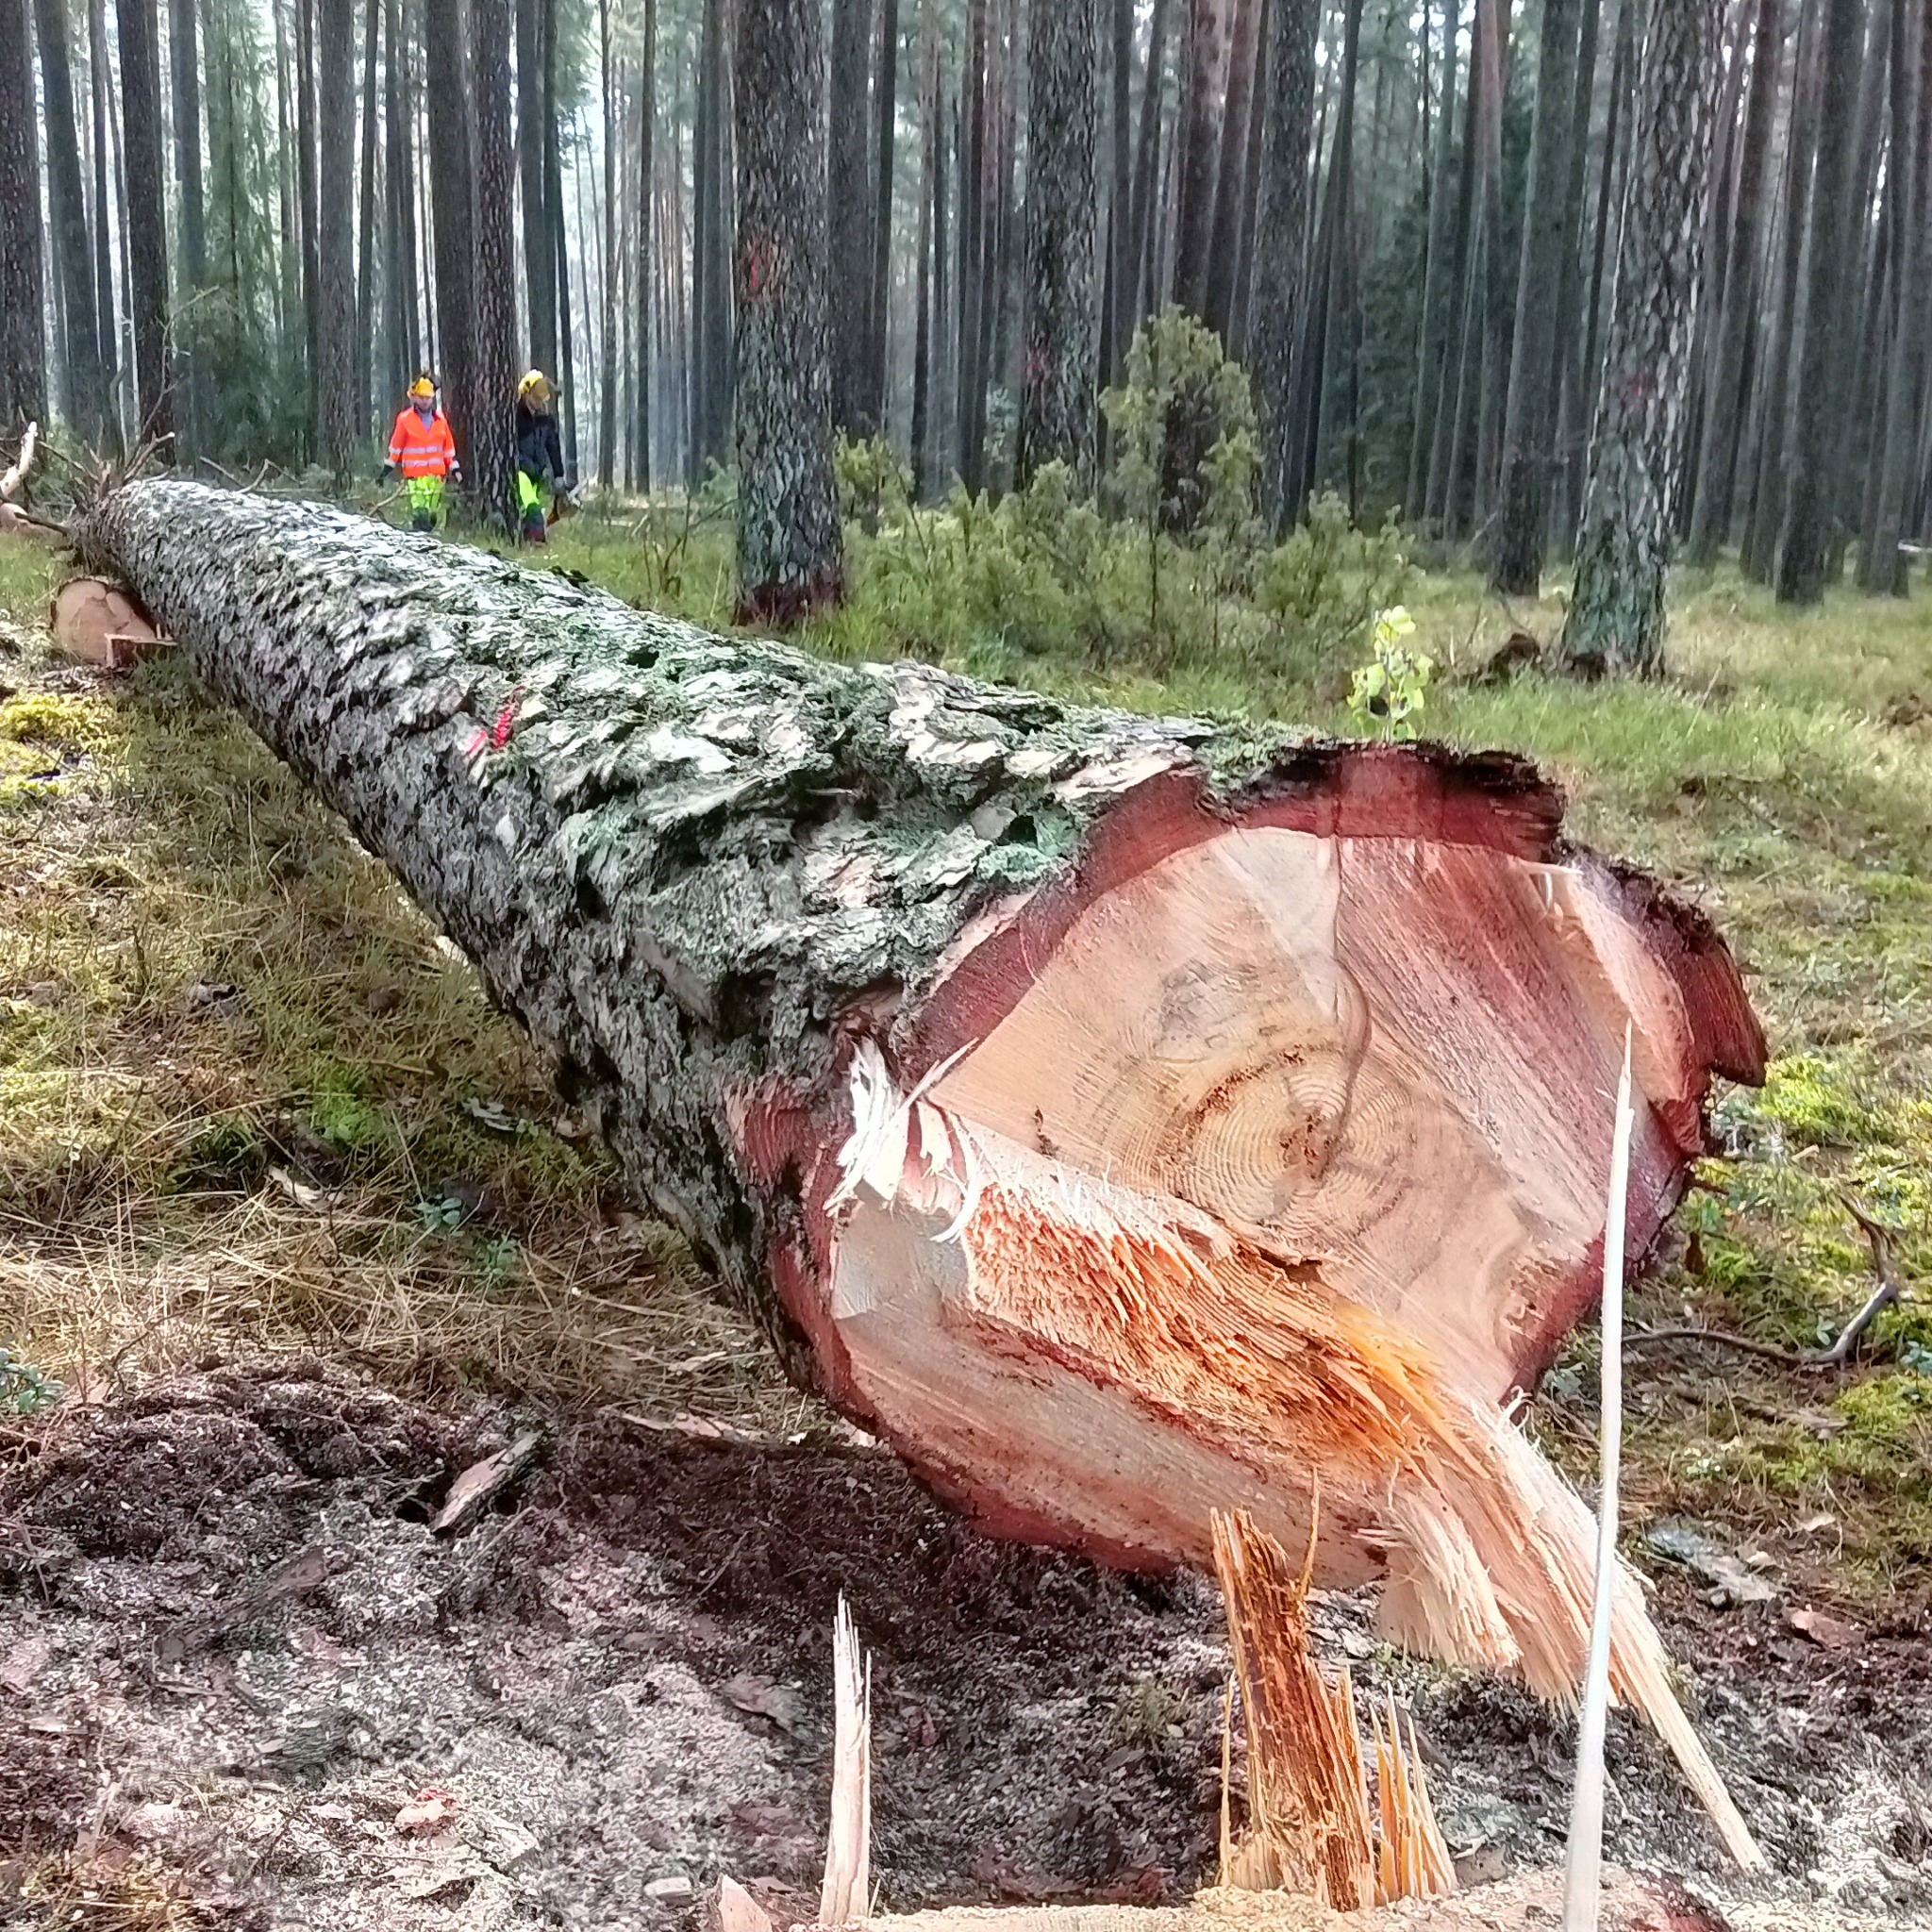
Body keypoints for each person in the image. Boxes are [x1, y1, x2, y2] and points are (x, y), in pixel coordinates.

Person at [385, 375, 460, 532]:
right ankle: (419, 541)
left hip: (436, 478)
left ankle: (426, 541)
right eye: (421, 397)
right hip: (415, 477)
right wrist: (387, 469)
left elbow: (448, 450)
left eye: (428, 398)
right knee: (420, 514)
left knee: (432, 516)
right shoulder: (404, 420)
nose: (425, 401)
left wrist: (455, 469)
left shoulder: (440, 421)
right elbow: (396, 448)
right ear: (414, 398)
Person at [513, 369, 573, 543]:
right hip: (522, 472)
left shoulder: (546, 420)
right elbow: (512, 449)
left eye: (542, 398)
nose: (540, 402)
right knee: (533, 509)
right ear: (527, 393)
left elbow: (553, 447)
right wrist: (523, 464)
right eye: (537, 398)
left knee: (529, 509)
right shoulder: (516, 417)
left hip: (537, 474)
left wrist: (559, 475)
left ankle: (526, 542)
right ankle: (538, 542)